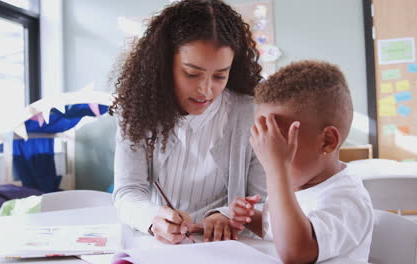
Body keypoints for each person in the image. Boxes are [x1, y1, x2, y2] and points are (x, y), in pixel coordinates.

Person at [109, 0, 266, 244]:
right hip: (159, 248)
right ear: (164, 64)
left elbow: (266, 201)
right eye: (191, 74)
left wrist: (225, 215)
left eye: (219, 75)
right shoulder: (137, 111)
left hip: (231, 250)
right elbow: (127, 191)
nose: (205, 90)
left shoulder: (252, 114)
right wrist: (152, 218)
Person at [229, 60, 373, 263]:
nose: (267, 156)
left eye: (279, 143)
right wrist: (251, 217)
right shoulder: (297, 186)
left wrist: (276, 170)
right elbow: (281, 230)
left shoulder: (346, 200)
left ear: (327, 142)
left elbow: (296, 252)